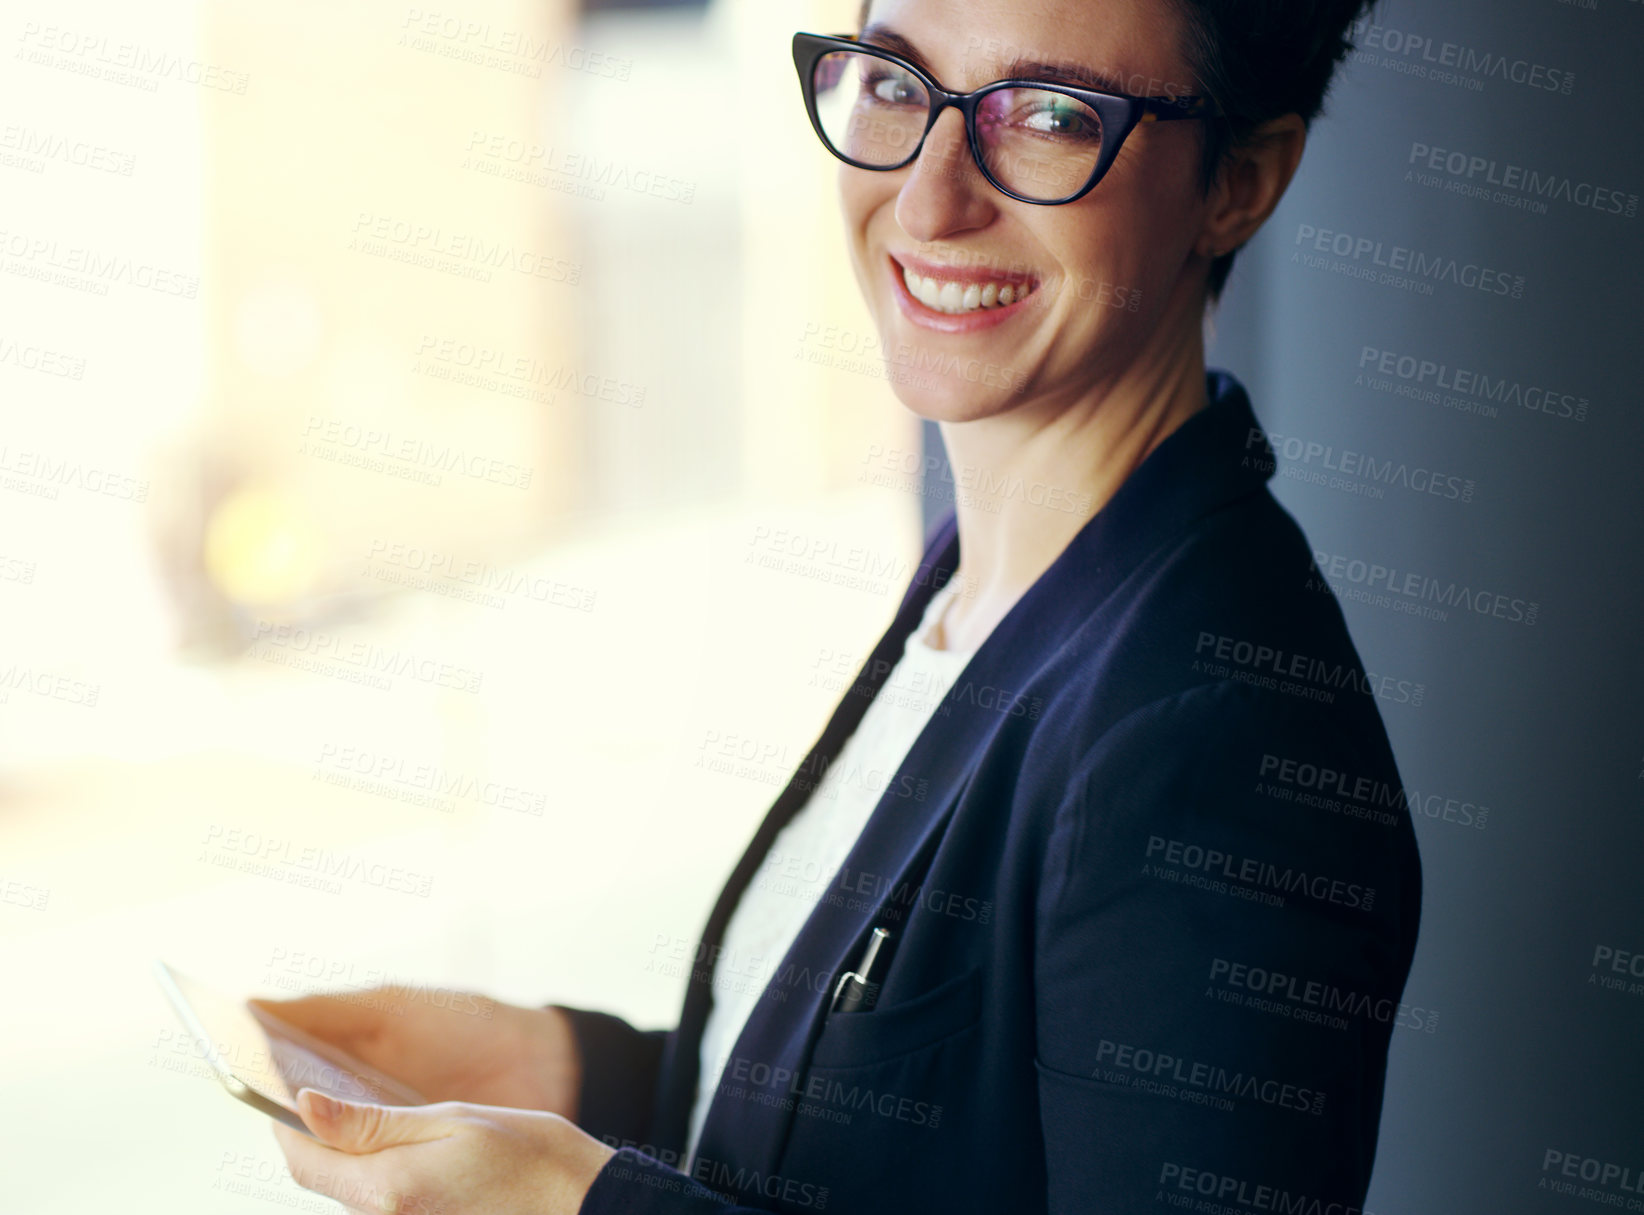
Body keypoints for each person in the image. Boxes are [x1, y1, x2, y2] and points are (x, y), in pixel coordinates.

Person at [267, 0, 1422, 1211]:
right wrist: (571, 1075)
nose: (929, 203)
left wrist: (583, 1205)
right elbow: (922, 1138)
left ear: (1240, 182)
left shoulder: (1216, 736)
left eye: (1048, 115)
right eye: (896, 85)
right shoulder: (982, 590)